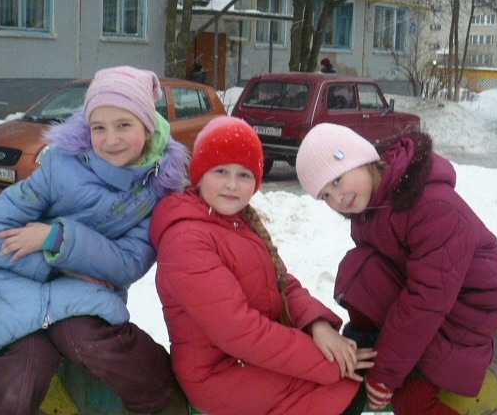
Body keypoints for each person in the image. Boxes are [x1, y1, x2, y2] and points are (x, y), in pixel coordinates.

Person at [0, 66, 190, 415]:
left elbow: (129, 262)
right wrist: (57, 258)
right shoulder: (60, 166)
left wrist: (57, 239)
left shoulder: (154, 190)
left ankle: (164, 400)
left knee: (91, 340)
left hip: (85, 296)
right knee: (21, 367)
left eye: (124, 125)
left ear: (147, 127)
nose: (111, 139)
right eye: (99, 127)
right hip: (17, 289)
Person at [150, 116, 376, 415]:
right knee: (344, 388)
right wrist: (329, 362)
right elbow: (238, 330)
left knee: (353, 383)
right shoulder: (187, 239)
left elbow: (282, 282)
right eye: (221, 171)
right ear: (199, 175)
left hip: (250, 358)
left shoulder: (237, 221)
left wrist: (317, 325)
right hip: (219, 375)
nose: (232, 184)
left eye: (244, 175)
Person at [296, 124, 497, 415]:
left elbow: (427, 299)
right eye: (325, 195)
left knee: (411, 402)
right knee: (358, 269)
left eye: (337, 180)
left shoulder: (432, 206)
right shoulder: (371, 208)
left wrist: (385, 374)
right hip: (433, 294)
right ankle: (369, 345)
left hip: (470, 305)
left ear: (363, 160)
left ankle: (387, 357)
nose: (337, 199)